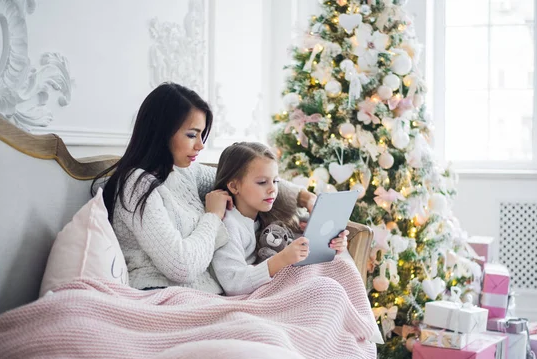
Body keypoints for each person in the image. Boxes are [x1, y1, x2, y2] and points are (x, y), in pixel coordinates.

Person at [92, 83, 317, 292]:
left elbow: (252, 178)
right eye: (192, 135)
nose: (200, 145)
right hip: (159, 293)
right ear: (161, 132)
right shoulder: (137, 185)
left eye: (201, 135)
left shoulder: (185, 171)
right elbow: (181, 267)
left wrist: (305, 198)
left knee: (320, 287)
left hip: (208, 295)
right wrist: (213, 216)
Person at [211, 142, 349, 296]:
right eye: (262, 182)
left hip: (280, 286)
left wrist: (332, 243)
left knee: (339, 268)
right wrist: (282, 259)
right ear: (234, 187)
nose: (272, 189)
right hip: (255, 296)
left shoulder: (271, 211)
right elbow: (234, 283)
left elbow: (305, 242)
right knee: (328, 290)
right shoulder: (228, 226)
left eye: (276, 181)